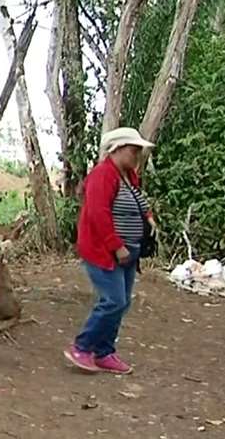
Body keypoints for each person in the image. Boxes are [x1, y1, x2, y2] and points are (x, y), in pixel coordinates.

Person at [65, 127, 157, 375]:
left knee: (122, 303)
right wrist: (116, 246)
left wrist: (147, 217)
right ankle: (82, 347)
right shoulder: (103, 175)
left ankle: (104, 352)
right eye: (133, 149)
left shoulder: (128, 175)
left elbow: (137, 200)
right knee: (113, 301)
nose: (137, 154)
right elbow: (97, 213)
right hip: (103, 250)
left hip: (129, 250)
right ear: (117, 149)